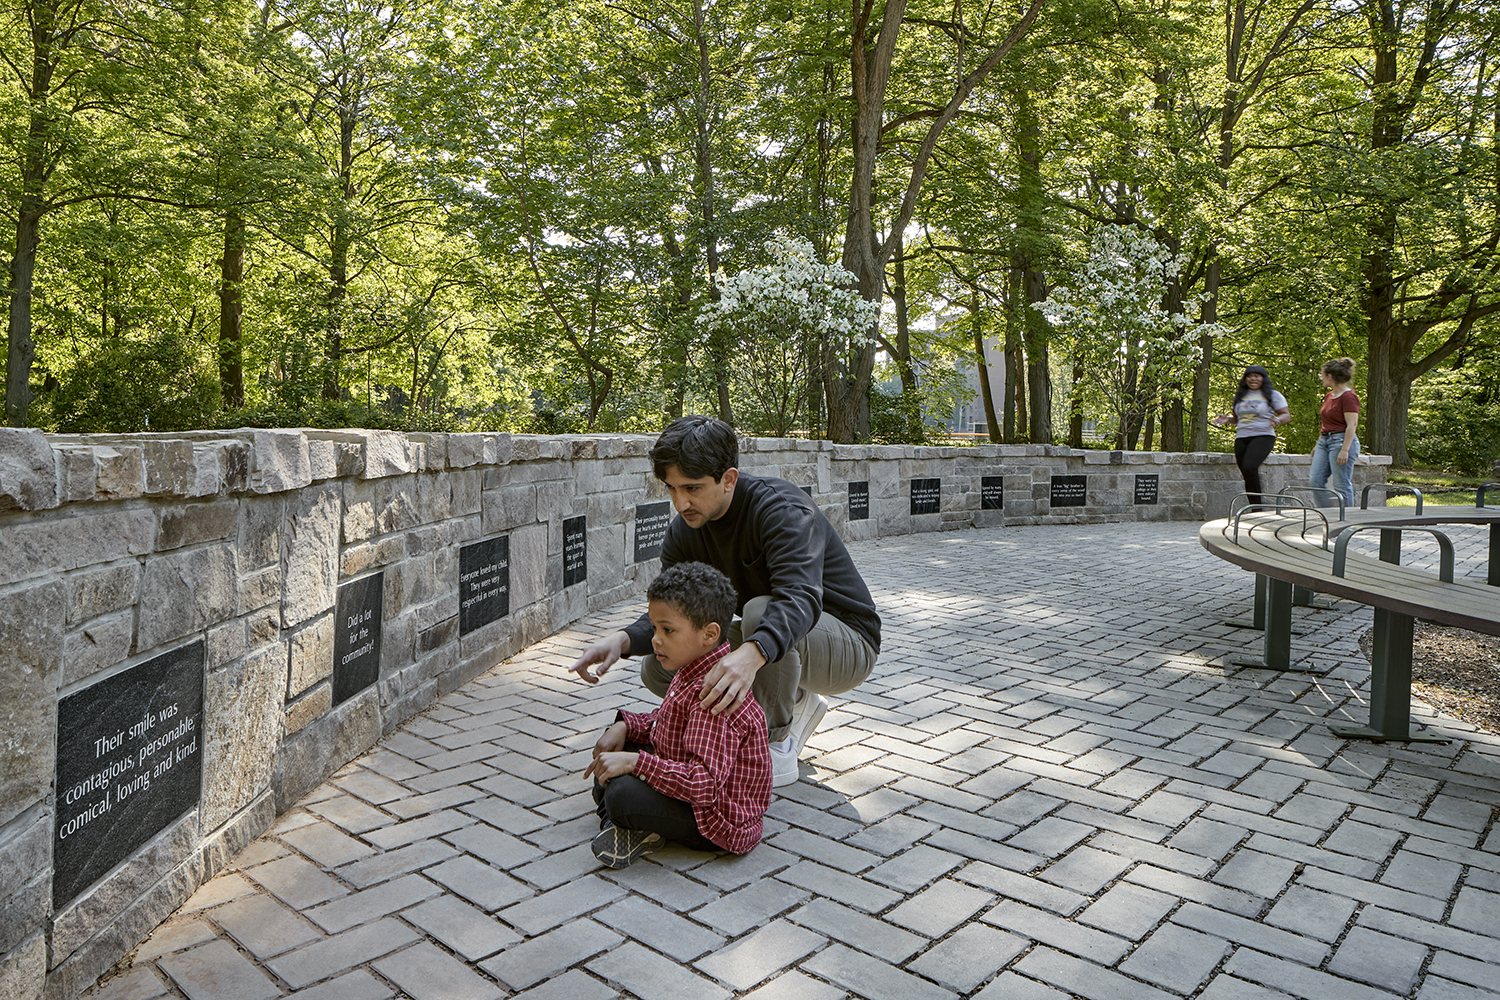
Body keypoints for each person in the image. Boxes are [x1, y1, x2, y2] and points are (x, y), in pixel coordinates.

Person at [569, 415, 881, 787]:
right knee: (660, 664)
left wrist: (750, 656)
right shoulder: (685, 531)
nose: (681, 502)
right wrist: (620, 640)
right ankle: (793, 695)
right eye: (671, 488)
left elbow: (800, 599)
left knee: (760, 613)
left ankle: (774, 744)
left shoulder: (783, 511)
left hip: (847, 642)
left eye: (693, 488)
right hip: (782, 639)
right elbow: (675, 611)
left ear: (729, 479)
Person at [585, 562, 771, 869]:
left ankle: (625, 826)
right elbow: (666, 723)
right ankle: (632, 829)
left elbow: (706, 785)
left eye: (667, 630)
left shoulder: (715, 696)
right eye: (655, 628)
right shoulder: (692, 667)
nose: (656, 639)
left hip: (716, 819)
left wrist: (636, 763)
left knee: (619, 792)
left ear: (709, 634)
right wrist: (625, 727)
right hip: (689, 783)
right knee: (611, 759)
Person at [1213, 364, 1290, 505]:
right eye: (1249, 376)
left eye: (1256, 376)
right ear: (1245, 379)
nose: (1252, 379)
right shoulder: (1240, 396)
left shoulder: (1273, 395)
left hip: (1263, 435)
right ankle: (1255, 507)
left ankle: (1257, 508)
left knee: (1249, 467)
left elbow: (1286, 414)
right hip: (1242, 437)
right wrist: (1227, 419)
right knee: (1247, 473)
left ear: (1263, 378)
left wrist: (1277, 420)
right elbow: (1236, 419)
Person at [1309, 356, 1361, 508]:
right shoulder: (1329, 396)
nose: (1321, 378)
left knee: (1341, 486)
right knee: (1315, 481)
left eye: (1322, 375)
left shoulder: (1349, 396)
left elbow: (1352, 425)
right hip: (1324, 441)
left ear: (1329, 376)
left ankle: (1347, 523)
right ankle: (1329, 515)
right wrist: (1318, 443)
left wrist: (1345, 450)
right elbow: (1326, 422)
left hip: (1341, 442)